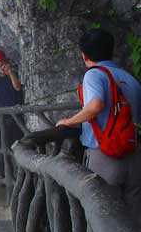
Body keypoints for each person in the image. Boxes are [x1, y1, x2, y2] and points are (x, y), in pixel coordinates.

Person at [56, 28, 141, 221]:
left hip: (106, 156)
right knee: (134, 218)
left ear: (84, 55)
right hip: (134, 156)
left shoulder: (94, 75)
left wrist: (68, 121)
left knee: (104, 218)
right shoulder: (130, 79)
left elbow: (95, 105)